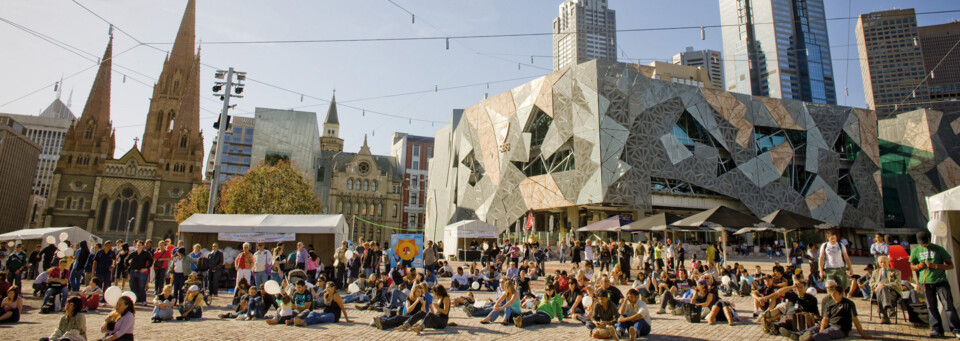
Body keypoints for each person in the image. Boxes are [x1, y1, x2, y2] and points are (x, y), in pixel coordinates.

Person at [910, 231, 960, 338]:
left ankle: (956, 329)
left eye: (925, 243)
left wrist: (935, 266)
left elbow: (950, 265)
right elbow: (911, 265)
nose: (924, 245)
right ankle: (937, 329)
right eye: (922, 244)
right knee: (931, 307)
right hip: (925, 282)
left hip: (940, 281)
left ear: (929, 239)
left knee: (948, 305)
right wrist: (918, 266)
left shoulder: (939, 249)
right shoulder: (916, 250)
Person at [785, 280, 871, 341]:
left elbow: (855, 320)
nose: (833, 296)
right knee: (815, 328)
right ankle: (796, 335)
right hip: (830, 325)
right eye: (832, 294)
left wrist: (863, 334)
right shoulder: (830, 303)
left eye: (835, 294)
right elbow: (825, 319)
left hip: (841, 328)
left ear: (841, 294)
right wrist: (821, 328)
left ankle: (811, 338)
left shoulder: (849, 304)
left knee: (827, 333)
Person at [818, 231, 853, 295]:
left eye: (835, 238)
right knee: (830, 287)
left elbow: (846, 257)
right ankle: (830, 301)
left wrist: (850, 268)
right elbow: (821, 259)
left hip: (840, 268)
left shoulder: (841, 245)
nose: (834, 240)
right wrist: (821, 271)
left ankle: (842, 300)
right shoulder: (824, 246)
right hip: (829, 269)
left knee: (842, 287)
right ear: (828, 238)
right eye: (832, 238)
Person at [869, 255, 901, 324]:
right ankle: (889, 309)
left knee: (882, 289)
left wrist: (884, 285)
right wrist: (878, 285)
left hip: (892, 292)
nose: (883, 264)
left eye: (885, 262)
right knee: (881, 289)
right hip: (879, 292)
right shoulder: (875, 272)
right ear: (878, 263)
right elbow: (871, 283)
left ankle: (884, 316)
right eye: (881, 262)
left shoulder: (896, 272)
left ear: (888, 261)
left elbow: (897, 284)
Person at [127, 241, 153, 305]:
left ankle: (143, 301)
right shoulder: (133, 253)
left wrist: (146, 268)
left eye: (140, 245)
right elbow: (126, 260)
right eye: (138, 245)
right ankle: (134, 299)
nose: (139, 246)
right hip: (133, 271)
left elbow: (151, 261)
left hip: (141, 272)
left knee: (141, 287)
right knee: (133, 287)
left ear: (143, 246)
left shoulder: (146, 254)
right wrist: (129, 264)